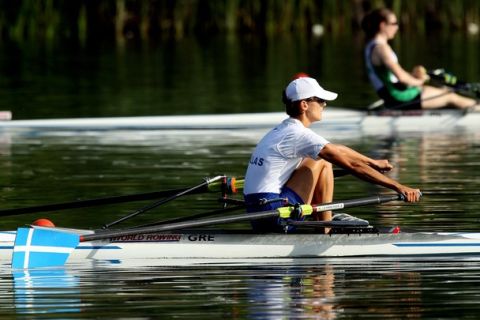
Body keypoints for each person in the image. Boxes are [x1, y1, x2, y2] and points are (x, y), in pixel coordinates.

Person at [243, 76, 421, 233]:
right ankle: (325, 228)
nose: (324, 104)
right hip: (275, 214)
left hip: (258, 212)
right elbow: (352, 166)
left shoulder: (283, 129)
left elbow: (337, 149)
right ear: (304, 105)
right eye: (320, 100)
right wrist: (398, 187)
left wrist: (372, 162)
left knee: (320, 157)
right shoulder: (299, 135)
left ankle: (321, 220)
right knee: (323, 162)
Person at [361, 8, 479, 110]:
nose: (397, 27)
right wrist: (419, 81)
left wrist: (413, 76)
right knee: (450, 96)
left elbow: (392, 77)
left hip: (394, 94)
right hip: (399, 97)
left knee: (444, 89)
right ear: (382, 25)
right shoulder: (382, 49)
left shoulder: (371, 46)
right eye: (394, 23)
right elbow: (401, 78)